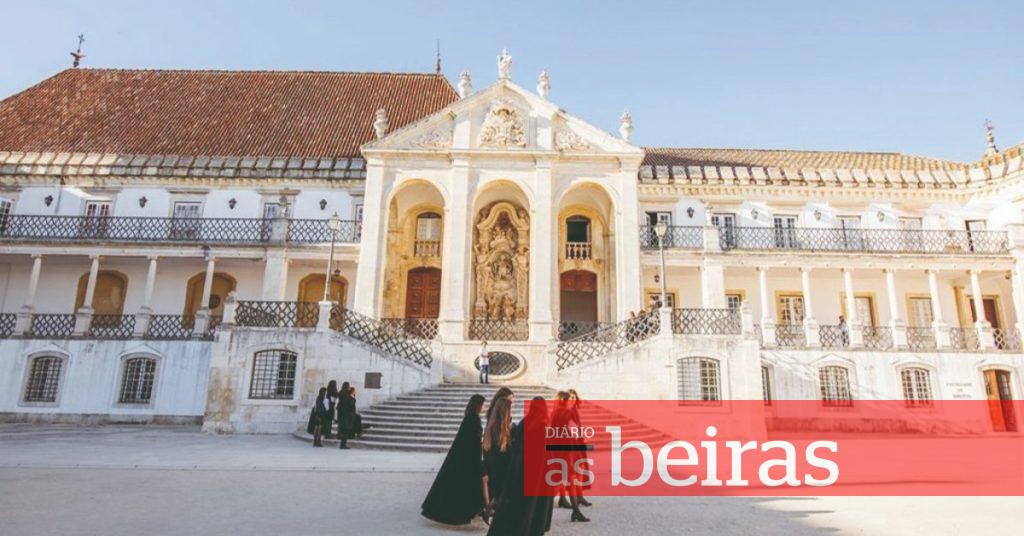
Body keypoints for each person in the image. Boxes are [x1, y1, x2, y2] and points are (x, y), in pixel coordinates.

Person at [487, 397, 554, 536]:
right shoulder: (543, 427)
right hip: (535, 477)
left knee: (515, 508)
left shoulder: (525, 423)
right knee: (533, 511)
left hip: (518, 471)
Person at [422, 394, 488, 525]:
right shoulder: (474, 420)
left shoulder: (469, 418)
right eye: (483, 404)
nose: (485, 407)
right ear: (479, 405)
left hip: (463, 458)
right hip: (469, 459)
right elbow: (474, 443)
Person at [550, 391, 589, 522]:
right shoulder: (568, 413)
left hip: (556, 450)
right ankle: (575, 511)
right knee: (568, 479)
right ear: (565, 401)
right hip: (567, 451)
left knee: (561, 478)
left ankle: (575, 510)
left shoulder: (554, 413)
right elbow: (574, 432)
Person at [483, 397, 513, 519]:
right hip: (500, 467)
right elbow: (504, 450)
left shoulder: (491, 424)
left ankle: (489, 509)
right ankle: (489, 510)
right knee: (501, 495)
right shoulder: (501, 426)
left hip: (492, 465)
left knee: (497, 495)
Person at [567, 389, 592, 507]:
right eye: (570, 397)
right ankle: (573, 497)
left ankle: (579, 495)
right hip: (571, 444)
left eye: (574, 397)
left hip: (578, 443)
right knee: (573, 471)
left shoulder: (574, 410)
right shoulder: (567, 411)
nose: (572, 399)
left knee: (580, 468)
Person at [337, 385, 357, 449]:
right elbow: (351, 407)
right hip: (348, 416)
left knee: (345, 431)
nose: (355, 392)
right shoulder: (350, 398)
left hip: (346, 416)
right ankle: (343, 445)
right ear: (352, 391)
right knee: (346, 431)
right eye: (354, 391)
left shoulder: (347, 398)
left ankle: (343, 444)